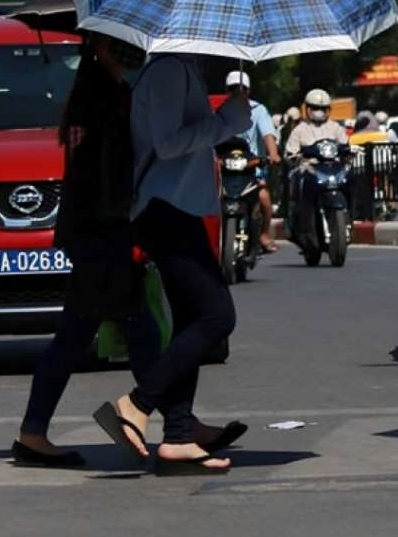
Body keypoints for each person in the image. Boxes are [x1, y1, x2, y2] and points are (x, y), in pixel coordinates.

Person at [15, 35, 242, 468]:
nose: (124, 53)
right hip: (102, 236)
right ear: (98, 53)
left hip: (111, 233)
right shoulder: (104, 105)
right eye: (112, 47)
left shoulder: (121, 94)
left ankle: (176, 425)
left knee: (126, 330)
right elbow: (104, 181)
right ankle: (138, 410)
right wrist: (123, 236)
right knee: (110, 331)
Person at [93, 53, 252, 476]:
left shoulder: (182, 67)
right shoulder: (168, 68)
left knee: (189, 320)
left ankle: (179, 435)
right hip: (166, 210)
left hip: (177, 208)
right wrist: (226, 122)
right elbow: (167, 143)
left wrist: (227, 120)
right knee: (217, 317)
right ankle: (137, 404)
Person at [224, 71, 281, 252]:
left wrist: (273, 154)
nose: (238, 93)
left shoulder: (258, 110)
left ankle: (263, 233)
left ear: (248, 91)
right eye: (233, 89)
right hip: (226, 169)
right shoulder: (220, 111)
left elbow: (268, 135)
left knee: (263, 199)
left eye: (242, 89)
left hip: (252, 167)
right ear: (227, 90)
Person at [284, 89, 349, 231]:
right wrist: (295, 156)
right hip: (309, 170)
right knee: (295, 177)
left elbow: (345, 146)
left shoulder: (336, 128)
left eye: (322, 108)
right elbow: (291, 151)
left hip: (332, 169)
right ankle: (295, 215)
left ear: (328, 110)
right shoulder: (300, 129)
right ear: (307, 109)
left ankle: (352, 214)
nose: (318, 112)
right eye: (315, 108)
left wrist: (349, 152)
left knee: (349, 177)